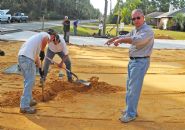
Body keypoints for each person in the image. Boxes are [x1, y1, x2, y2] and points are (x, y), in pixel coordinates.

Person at [105, 9, 154, 123]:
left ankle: (131, 114)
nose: (136, 20)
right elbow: (127, 35)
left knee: (133, 89)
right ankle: (130, 109)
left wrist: (121, 40)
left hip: (140, 62)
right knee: (130, 87)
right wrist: (114, 38)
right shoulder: (136, 30)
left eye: (138, 18)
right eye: (133, 18)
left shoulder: (147, 31)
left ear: (143, 17)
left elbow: (137, 40)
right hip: (133, 61)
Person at [18, 29, 56, 114]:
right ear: (52, 36)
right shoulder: (45, 35)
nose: (51, 40)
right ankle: (24, 106)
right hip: (27, 59)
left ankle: (29, 100)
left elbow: (37, 58)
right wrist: (43, 51)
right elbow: (46, 38)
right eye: (52, 39)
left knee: (28, 81)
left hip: (22, 57)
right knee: (30, 81)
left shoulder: (37, 40)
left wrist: (40, 70)